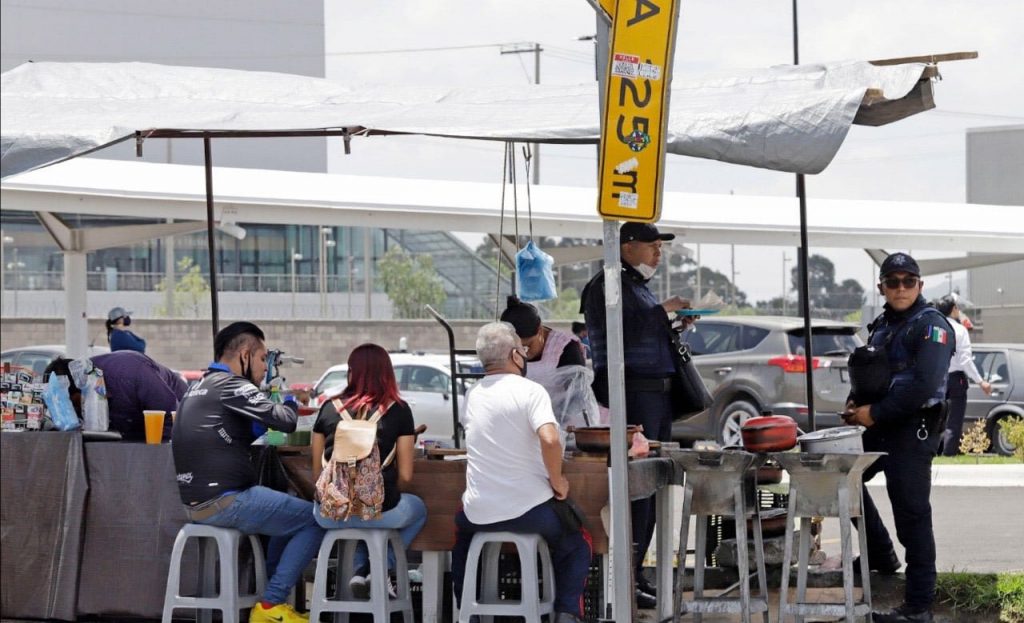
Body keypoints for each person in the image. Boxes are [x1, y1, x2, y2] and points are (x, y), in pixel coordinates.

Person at [172, 321, 323, 623]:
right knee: (315, 518)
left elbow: (255, 428)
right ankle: (270, 606)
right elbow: (285, 421)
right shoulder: (232, 385)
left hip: (195, 503)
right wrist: (290, 397)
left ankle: (271, 601)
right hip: (226, 500)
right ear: (244, 354)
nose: (263, 368)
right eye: (261, 359)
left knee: (286, 518)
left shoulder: (197, 387)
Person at [579, 221, 691, 608]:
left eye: (661, 247)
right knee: (636, 489)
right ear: (627, 247)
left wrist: (672, 323)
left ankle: (638, 572)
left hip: (656, 396)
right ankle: (626, 576)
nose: (657, 254)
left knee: (653, 486)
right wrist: (662, 311)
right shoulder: (605, 284)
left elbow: (643, 330)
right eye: (652, 246)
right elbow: (615, 330)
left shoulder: (636, 285)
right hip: (633, 396)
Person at [451, 322, 592, 623]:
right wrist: (558, 481)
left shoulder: (472, 395)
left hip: (478, 512)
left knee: (462, 539)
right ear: (516, 355)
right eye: (523, 350)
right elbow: (551, 438)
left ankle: (469, 611)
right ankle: (567, 611)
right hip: (529, 511)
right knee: (578, 543)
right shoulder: (531, 391)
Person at [844, 253, 954, 623]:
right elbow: (873, 375)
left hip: (913, 430)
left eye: (909, 281)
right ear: (882, 288)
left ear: (920, 285)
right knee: (845, 483)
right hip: (881, 429)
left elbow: (922, 384)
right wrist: (856, 401)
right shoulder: (882, 325)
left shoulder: (932, 325)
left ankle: (918, 608)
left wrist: (873, 413)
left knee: (912, 516)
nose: (901, 287)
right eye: (893, 281)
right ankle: (880, 553)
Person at [311, 343, 427, 598]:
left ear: (351, 372)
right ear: (387, 373)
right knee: (416, 509)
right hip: (379, 512)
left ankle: (361, 570)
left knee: (366, 519)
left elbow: (316, 473)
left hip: (330, 513)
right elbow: (406, 477)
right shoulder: (399, 410)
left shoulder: (328, 408)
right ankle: (381, 567)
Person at [501, 296, 598, 429]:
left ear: (540, 329)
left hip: (564, 426)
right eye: (517, 347)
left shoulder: (565, 348)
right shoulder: (504, 347)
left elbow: (576, 397)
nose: (523, 353)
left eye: (528, 346)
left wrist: (548, 419)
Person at [44, 350, 186, 441]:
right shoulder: (85, 384)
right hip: (134, 425)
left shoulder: (131, 372)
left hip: (177, 412)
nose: (76, 411)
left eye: (74, 403)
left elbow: (171, 414)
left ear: (80, 386)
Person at [934, 294, 992, 456]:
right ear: (953, 309)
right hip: (955, 379)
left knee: (936, 417)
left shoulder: (935, 329)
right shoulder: (959, 330)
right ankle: (948, 454)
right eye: (957, 307)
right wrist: (981, 382)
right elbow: (965, 360)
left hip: (937, 378)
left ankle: (934, 452)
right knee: (954, 419)